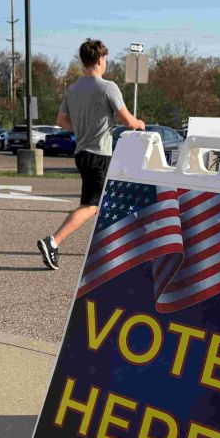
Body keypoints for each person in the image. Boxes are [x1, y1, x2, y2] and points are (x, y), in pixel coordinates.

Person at [37, 39, 145, 270]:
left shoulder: (73, 89)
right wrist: (140, 123)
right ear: (100, 59)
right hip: (100, 155)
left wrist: (82, 128)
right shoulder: (108, 87)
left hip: (82, 152)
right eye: (106, 58)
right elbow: (128, 121)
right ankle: (53, 241)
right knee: (91, 206)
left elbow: (60, 120)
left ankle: (115, 246)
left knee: (107, 201)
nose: (106, 62)